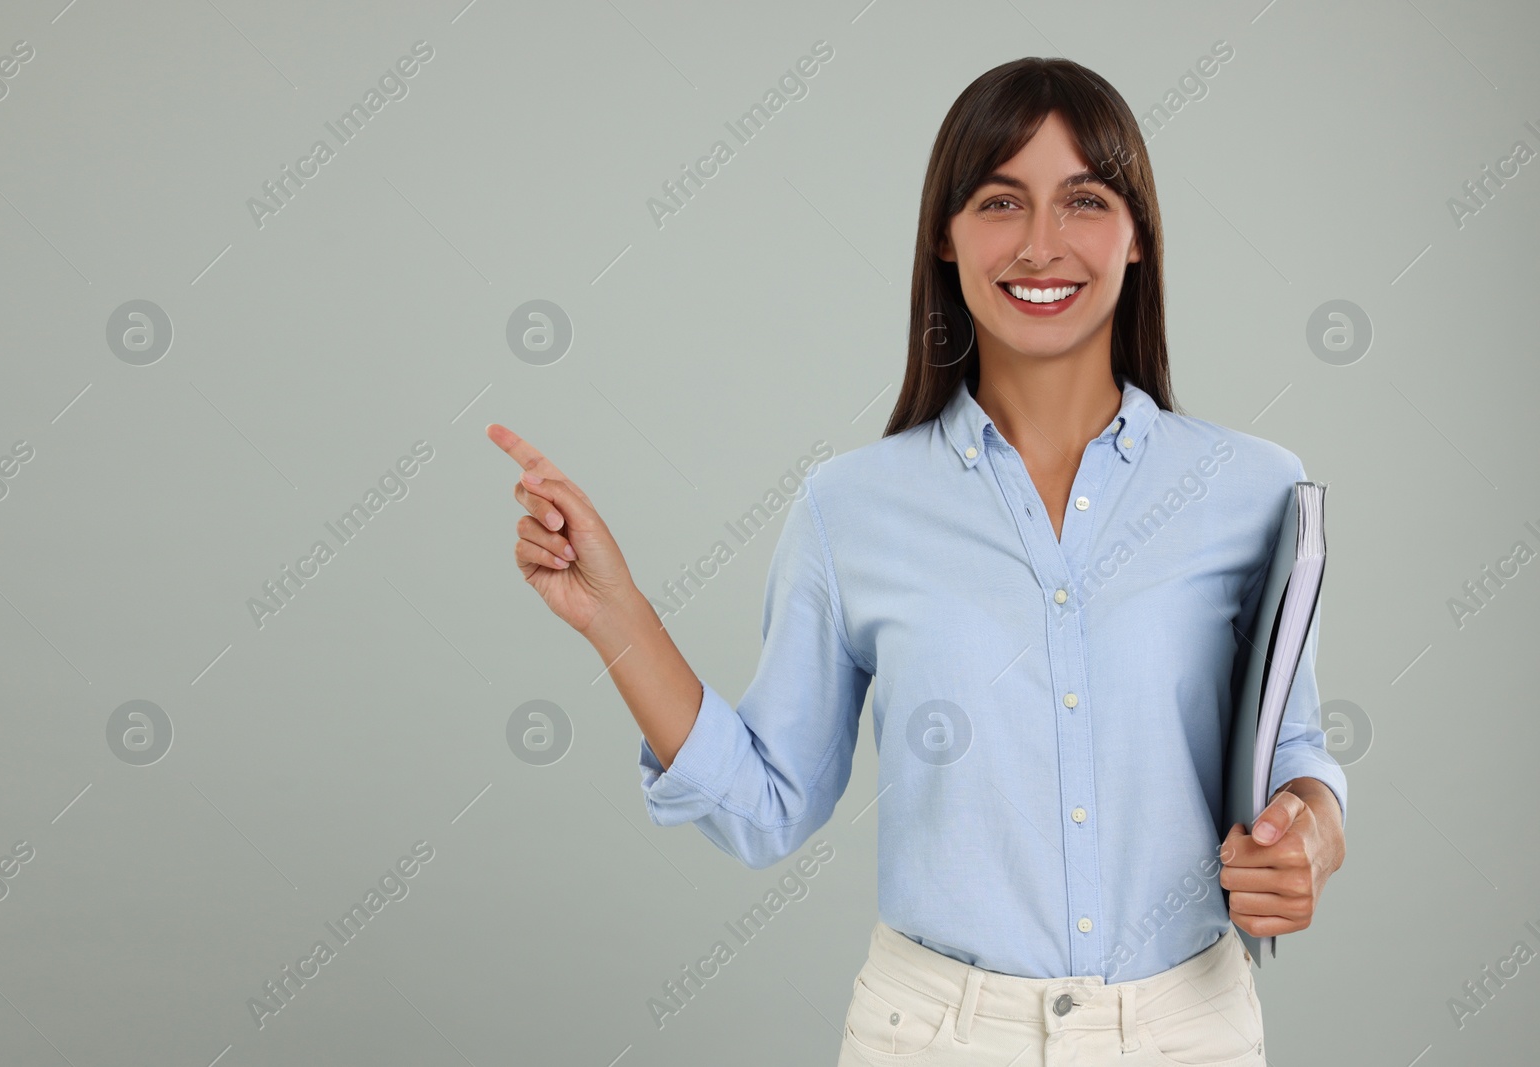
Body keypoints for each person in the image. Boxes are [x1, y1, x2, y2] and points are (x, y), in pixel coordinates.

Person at [488, 56, 1346, 1067]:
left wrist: (1311, 837)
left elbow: (1291, 749)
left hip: (1187, 1029)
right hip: (934, 1036)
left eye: (1083, 199)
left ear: (1137, 234)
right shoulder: (851, 507)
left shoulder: (1250, 489)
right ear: (945, 236)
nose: (1040, 242)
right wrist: (618, 616)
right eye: (998, 200)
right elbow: (765, 804)